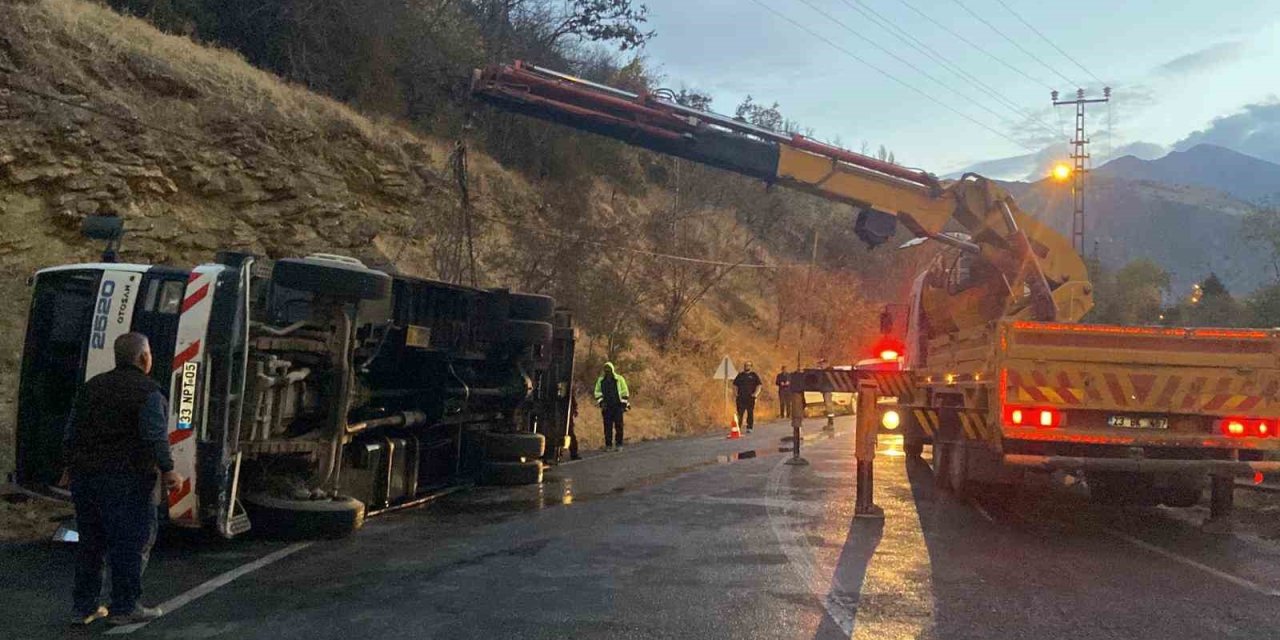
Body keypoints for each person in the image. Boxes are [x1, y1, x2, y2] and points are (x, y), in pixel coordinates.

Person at [62, 333, 183, 627]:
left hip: (85, 478)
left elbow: (72, 430)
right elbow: (154, 436)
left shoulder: (92, 387)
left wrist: (68, 466)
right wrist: (168, 469)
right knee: (131, 543)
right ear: (144, 358)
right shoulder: (149, 392)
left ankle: (83, 607)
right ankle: (125, 606)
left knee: (91, 543)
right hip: (127, 480)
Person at [593, 362, 630, 451]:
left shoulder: (619, 379)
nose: (607, 371)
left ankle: (619, 444)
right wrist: (601, 403)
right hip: (606, 407)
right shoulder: (601, 380)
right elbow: (597, 392)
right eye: (605, 369)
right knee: (607, 427)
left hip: (617, 406)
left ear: (612, 370)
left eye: (608, 369)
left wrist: (623, 404)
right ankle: (608, 445)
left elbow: (625, 391)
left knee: (619, 426)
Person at [733, 361, 763, 433]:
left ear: (751, 366)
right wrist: (736, 393)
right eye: (746, 365)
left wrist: (755, 394)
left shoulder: (754, 375)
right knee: (740, 413)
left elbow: (759, 385)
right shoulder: (740, 375)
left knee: (750, 412)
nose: (747, 366)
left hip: (750, 397)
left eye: (748, 365)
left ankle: (749, 427)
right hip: (741, 397)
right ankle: (738, 427)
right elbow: (735, 385)